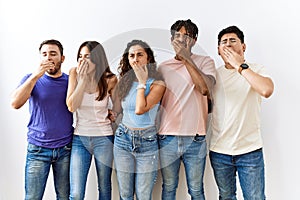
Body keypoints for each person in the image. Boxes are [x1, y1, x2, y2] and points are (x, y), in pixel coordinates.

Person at [209, 25, 274, 200]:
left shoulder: (256, 70)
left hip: (250, 150)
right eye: (224, 42)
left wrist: (239, 65)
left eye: (233, 41)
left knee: (255, 197)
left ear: (243, 46)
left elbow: (266, 90)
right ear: (218, 50)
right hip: (219, 151)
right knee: (226, 196)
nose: (228, 45)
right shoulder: (213, 75)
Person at [158, 19, 216, 200]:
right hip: (167, 137)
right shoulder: (163, 67)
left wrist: (186, 59)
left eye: (187, 36)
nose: (182, 40)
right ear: (171, 39)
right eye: (178, 36)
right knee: (169, 187)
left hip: (196, 138)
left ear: (195, 40)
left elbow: (204, 88)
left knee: (196, 189)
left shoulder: (206, 62)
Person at [10, 39, 73, 200]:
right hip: (37, 148)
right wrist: (35, 76)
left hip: (65, 149)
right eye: (44, 54)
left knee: (65, 197)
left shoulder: (70, 81)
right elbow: (15, 103)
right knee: (32, 197)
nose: (48, 58)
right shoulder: (31, 79)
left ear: (62, 58)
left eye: (53, 54)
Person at [112, 39, 166, 200]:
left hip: (147, 142)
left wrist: (142, 82)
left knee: (143, 195)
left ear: (148, 58)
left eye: (139, 55)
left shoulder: (158, 84)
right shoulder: (124, 83)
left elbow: (140, 109)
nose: (135, 59)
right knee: (125, 194)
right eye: (131, 56)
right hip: (123, 139)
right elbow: (117, 110)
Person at [66, 41, 117, 200]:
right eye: (80, 57)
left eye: (87, 56)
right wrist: (82, 80)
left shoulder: (110, 79)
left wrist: (112, 112)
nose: (82, 60)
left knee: (104, 187)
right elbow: (72, 106)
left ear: (97, 59)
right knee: (76, 192)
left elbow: (119, 107)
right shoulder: (74, 73)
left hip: (104, 138)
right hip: (80, 138)